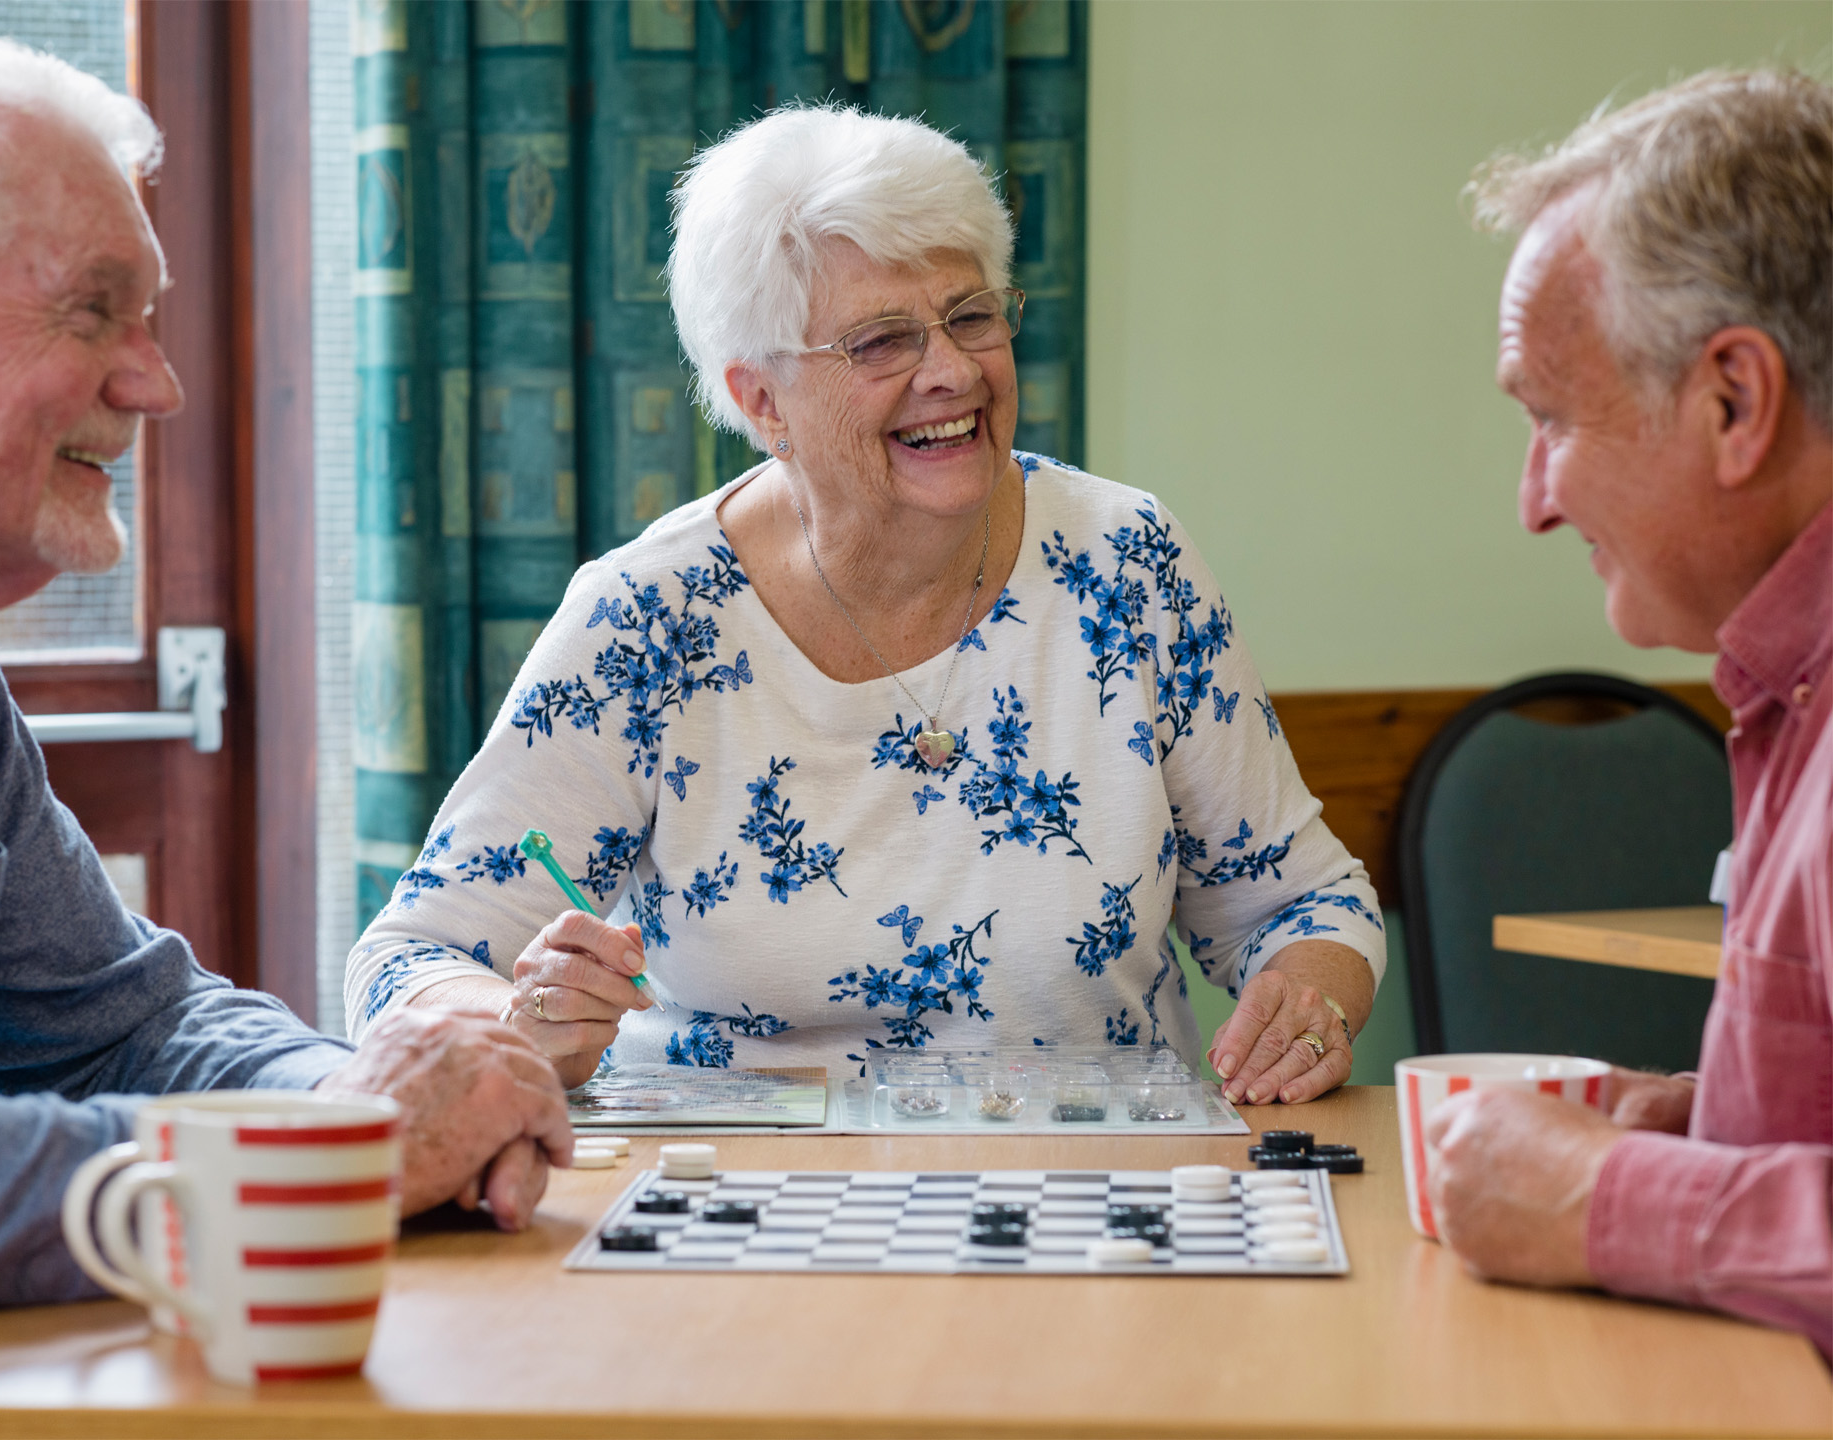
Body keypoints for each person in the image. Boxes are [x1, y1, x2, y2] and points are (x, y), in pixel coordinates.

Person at [346, 105, 1387, 1103]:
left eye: (970, 316)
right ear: (760, 400)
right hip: (738, 1218)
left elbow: (1302, 901)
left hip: (1092, 1204)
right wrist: (520, 1015)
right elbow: (409, 959)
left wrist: (1305, 995)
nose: (950, 372)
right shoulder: (648, 619)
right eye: (881, 342)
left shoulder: (1126, 563)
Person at [0, 33, 573, 1319]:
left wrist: (351, 1095)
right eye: (94, 307)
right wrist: (339, 1154)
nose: (154, 383)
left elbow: (124, 1025)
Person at [1427, 68, 1833, 1353]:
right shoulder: (1787, 685)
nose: (1531, 500)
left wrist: (1601, 1196)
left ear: (1732, 402)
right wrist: (1715, 1131)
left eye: (1551, 418)